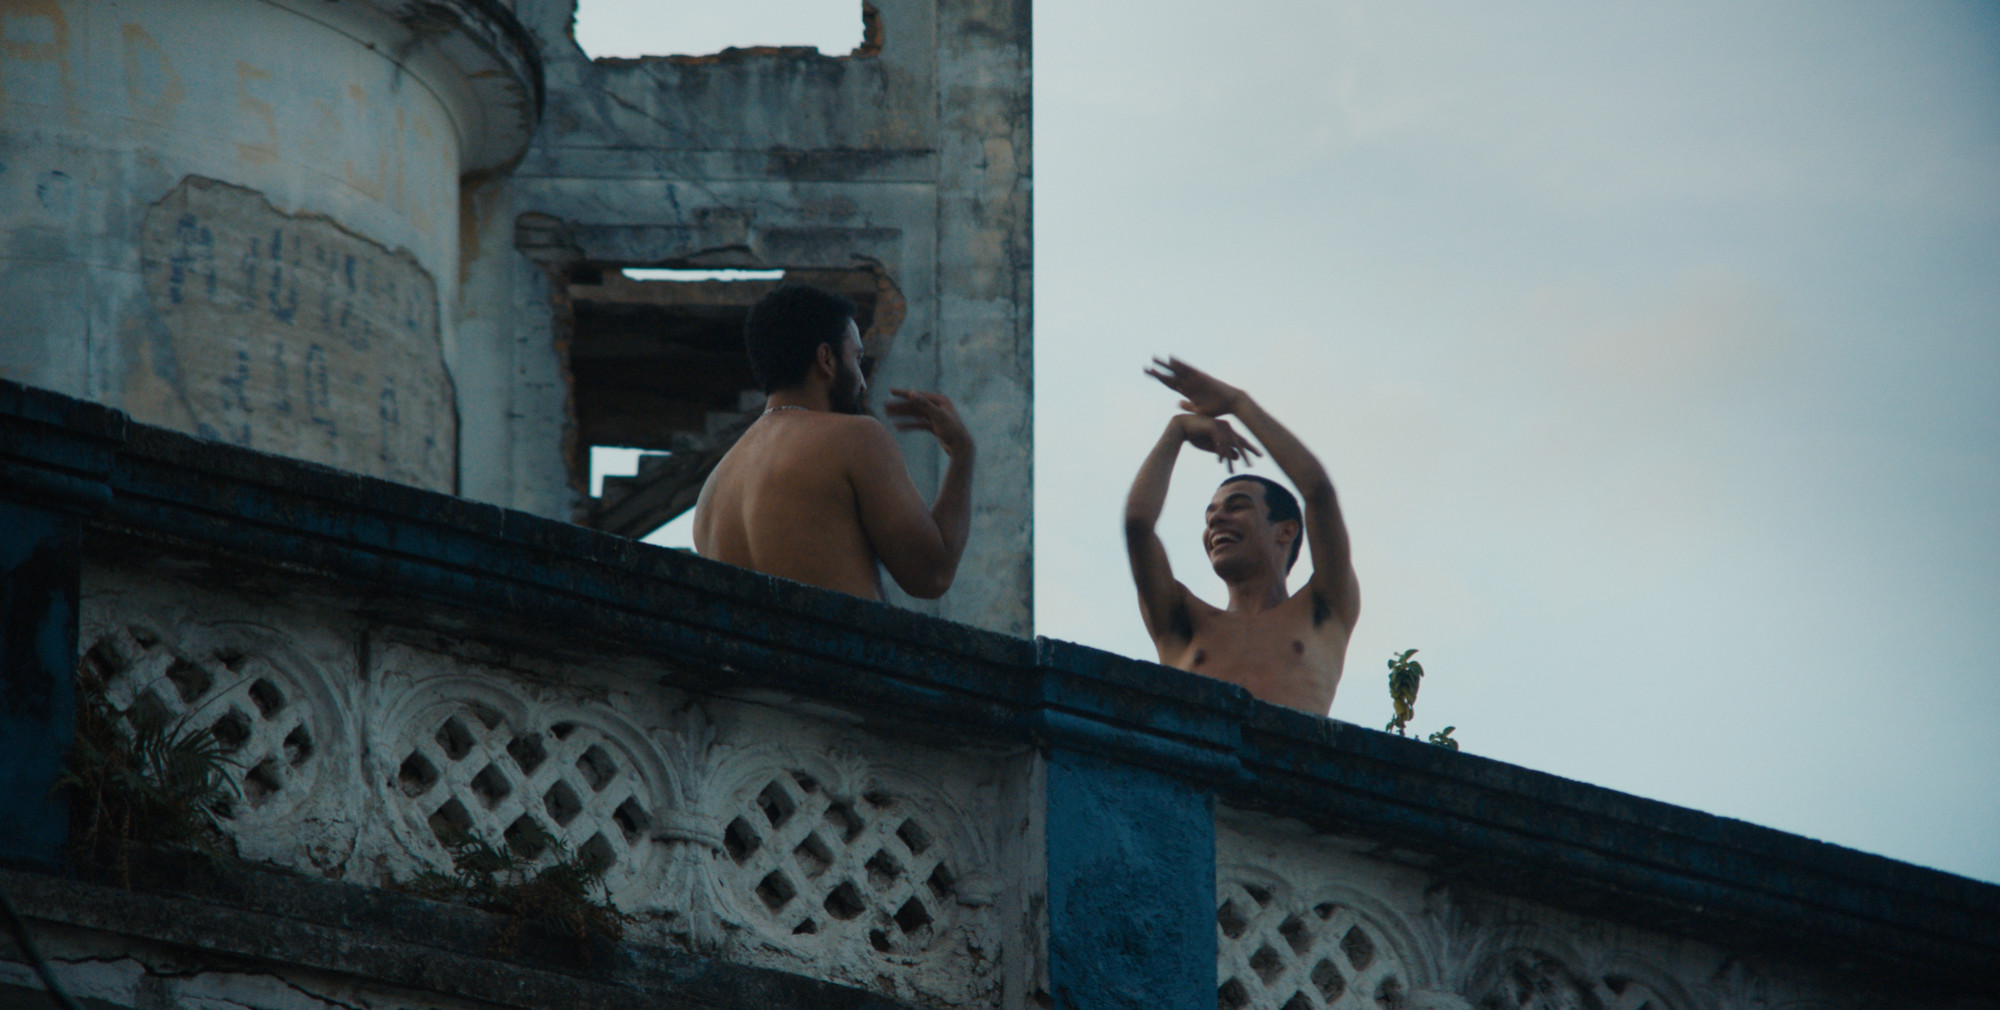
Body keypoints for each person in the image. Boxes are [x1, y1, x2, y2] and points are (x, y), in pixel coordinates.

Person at [693, 284, 975, 601]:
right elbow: (932, 575)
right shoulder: (856, 438)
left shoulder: (712, 491)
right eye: (857, 359)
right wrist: (963, 455)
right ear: (826, 358)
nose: (863, 381)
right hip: (839, 651)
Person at [1124, 357, 1360, 714]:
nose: (1217, 519)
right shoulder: (1183, 621)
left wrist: (1239, 404)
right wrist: (1177, 432)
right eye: (1210, 513)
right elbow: (1138, 524)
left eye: (1236, 506)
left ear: (1286, 531)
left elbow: (1319, 493)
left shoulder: (1323, 607)